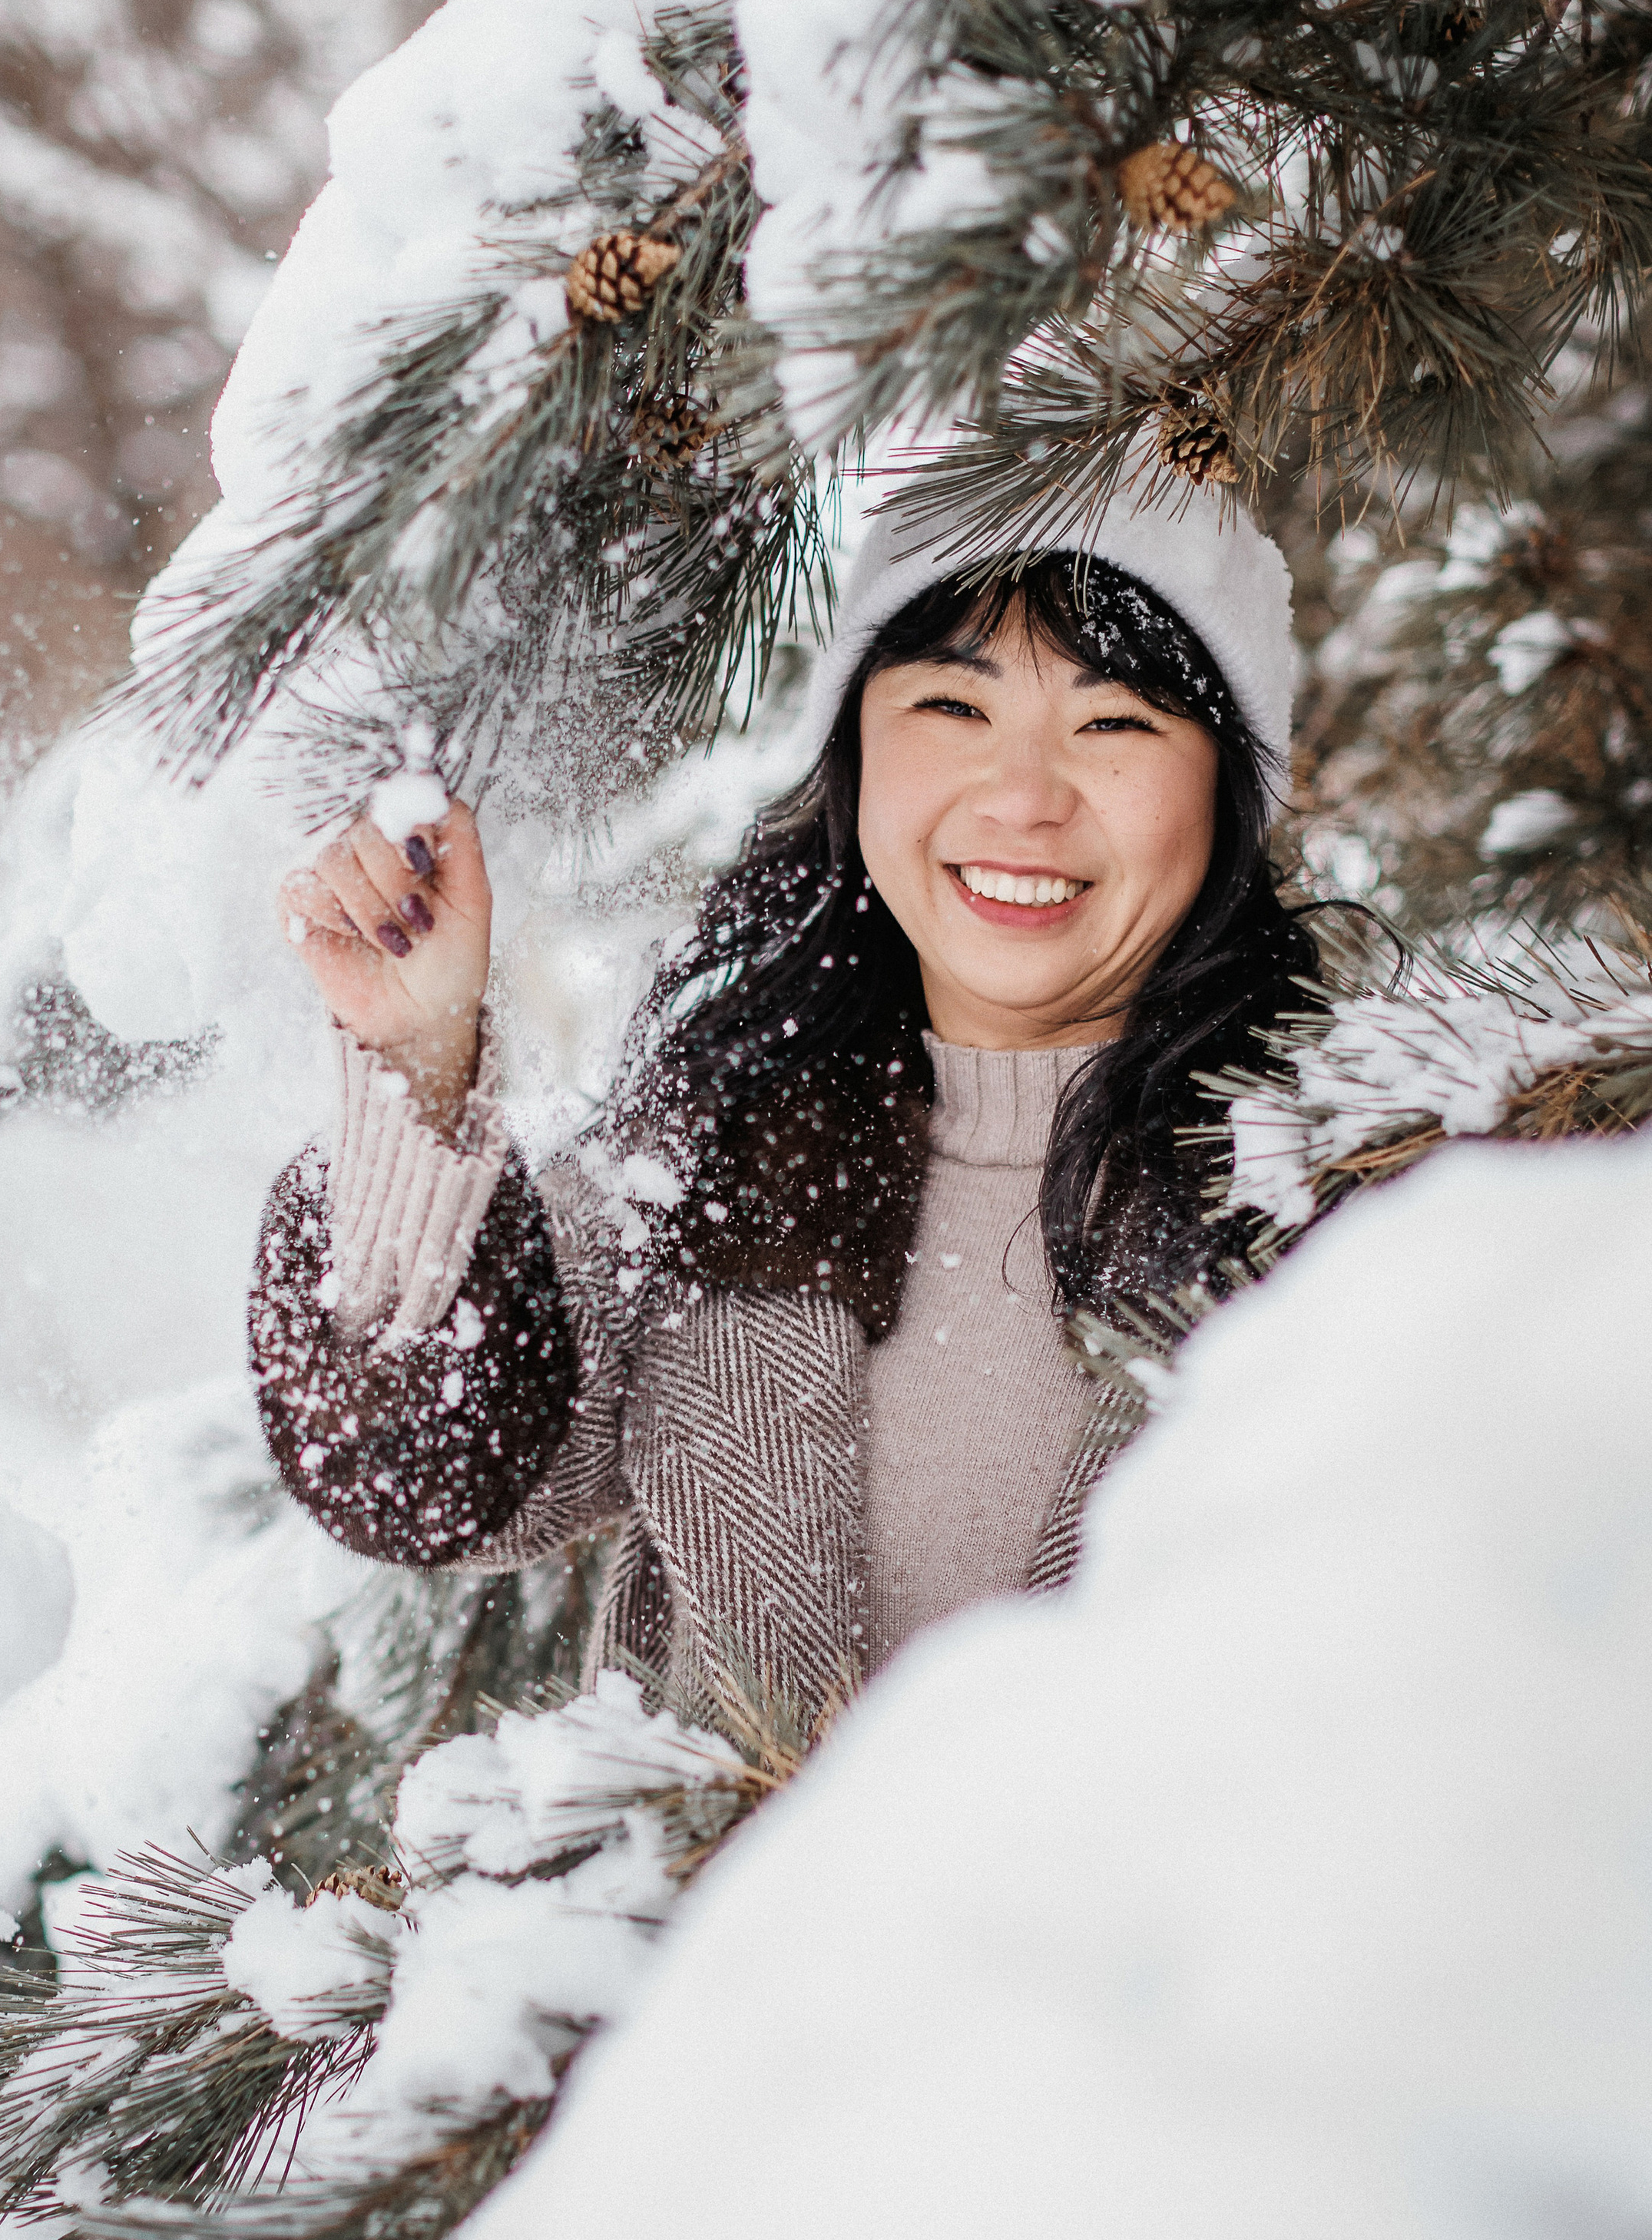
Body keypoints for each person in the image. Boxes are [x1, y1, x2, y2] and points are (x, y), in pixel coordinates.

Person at [250, 484, 1315, 1722]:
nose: (1023, 798)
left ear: (1228, 790)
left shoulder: (1343, 1198)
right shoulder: (716, 1159)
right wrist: (419, 1062)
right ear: (855, 753)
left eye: (1114, 722)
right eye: (955, 706)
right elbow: (415, 1475)